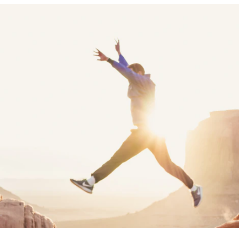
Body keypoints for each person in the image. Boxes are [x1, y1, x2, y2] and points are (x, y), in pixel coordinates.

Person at [71, 40, 202, 207]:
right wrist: (120, 55)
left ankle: (90, 182)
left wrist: (109, 60)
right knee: (167, 166)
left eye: (132, 74)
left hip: (145, 133)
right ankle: (194, 188)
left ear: (139, 72)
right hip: (151, 133)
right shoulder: (139, 82)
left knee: (117, 158)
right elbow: (127, 69)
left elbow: (127, 72)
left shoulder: (144, 82)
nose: (129, 78)